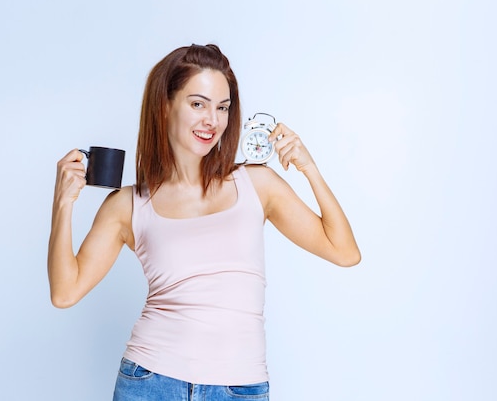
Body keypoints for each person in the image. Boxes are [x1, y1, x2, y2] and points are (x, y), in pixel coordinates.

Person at [48, 43, 360, 401]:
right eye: (198, 104)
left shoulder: (257, 184)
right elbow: (64, 291)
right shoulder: (128, 205)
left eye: (222, 108)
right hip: (150, 381)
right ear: (165, 107)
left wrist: (309, 168)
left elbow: (344, 251)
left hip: (239, 388)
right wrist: (64, 203)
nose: (212, 121)